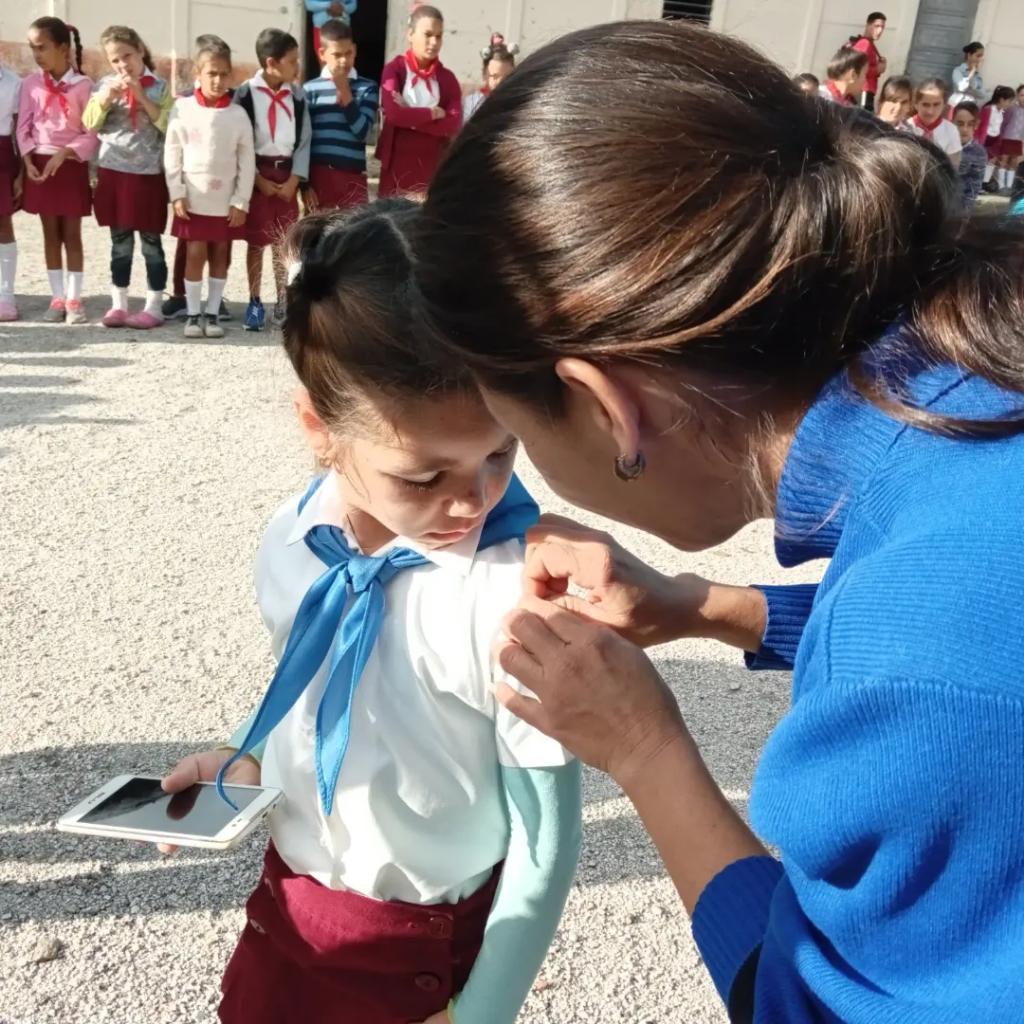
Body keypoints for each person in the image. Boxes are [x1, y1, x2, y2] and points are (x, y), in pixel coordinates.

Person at [414, 18, 1024, 1023]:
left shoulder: (921, 671)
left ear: (611, 409)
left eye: (513, 436)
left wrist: (646, 747)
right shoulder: (969, 387)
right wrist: (708, 608)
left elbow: (814, 1005)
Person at [160, 199, 582, 1024]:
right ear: (320, 429)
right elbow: (311, 677)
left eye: (500, 453)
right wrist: (245, 757)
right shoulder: (295, 536)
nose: (470, 499)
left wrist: (483, 1011)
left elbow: (548, 840)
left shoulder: (512, 595)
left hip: (422, 945)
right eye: (423, 477)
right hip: (289, 904)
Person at [164, 36, 255, 340]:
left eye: (224, 73)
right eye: (211, 73)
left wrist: (241, 201)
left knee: (219, 252)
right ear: (198, 75)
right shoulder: (183, 109)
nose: (218, 80)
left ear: (231, 75)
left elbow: (247, 161)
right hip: (193, 198)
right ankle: (192, 315)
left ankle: (213, 313)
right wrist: (176, 192)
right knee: (194, 252)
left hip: (225, 199)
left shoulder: (238, 115)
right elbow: (172, 153)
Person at [83, 25, 172, 331]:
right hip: (113, 171)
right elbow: (89, 123)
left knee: (151, 243)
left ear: (140, 51)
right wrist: (105, 99)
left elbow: (167, 125)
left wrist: (139, 94)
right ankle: (119, 304)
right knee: (119, 243)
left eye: (127, 56)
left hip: (147, 175)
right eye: (116, 60)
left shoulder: (159, 86)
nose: (123, 65)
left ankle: (153, 305)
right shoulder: (105, 85)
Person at [17, 17, 98, 325]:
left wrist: (65, 153)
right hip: (39, 166)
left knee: (72, 235)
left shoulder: (84, 86)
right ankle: (57, 297)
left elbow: (91, 132)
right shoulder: (30, 84)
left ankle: (75, 300)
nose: (37, 54)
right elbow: (23, 127)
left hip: (69, 166)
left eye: (42, 47)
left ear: (63, 48)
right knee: (49, 235)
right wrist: (27, 162)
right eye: (32, 48)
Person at [234, 28, 311, 333]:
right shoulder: (245, 94)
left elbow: (305, 138)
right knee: (256, 243)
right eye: (293, 61)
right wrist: (255, 179)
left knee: (284, 243)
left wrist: (296, 177)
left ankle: (283, 299)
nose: (298, 67)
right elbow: (239, 141)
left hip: (287, 175)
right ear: (271, 63)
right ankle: (254, 301)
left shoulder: (297, 95)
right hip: (258, 175)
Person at [377, 5, 461, 196]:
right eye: (428, 34)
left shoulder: (447, 79)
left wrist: (411, 118)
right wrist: (431, 113)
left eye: (439, 36)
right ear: (410, 34)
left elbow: (452, 124)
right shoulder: (394, 70)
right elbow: (394, 114)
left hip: (431, 166)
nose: (434, 42)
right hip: (397, 165)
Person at [302, 19, 378, 212]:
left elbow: (363, 132)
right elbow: (304, 140)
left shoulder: (367, 88)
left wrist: (345, 94)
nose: (344, 60)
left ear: (355, 50)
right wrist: (304, 183)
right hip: (320, 176)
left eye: (348, 53)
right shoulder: (310, 89)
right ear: (322, 54)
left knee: (353, 235)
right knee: (318, 236)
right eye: (337, 55)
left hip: (353, 176)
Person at [0, 59, 22, 322]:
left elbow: (20, 131)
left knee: (3, 224)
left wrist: (22, 173)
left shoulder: (14, 83)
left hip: (2, 155)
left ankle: (6, 294)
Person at [906, 78, 961, 168]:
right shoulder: (905, 128)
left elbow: (953, 167)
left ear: (944, 104)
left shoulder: (951, 131)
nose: (930, 111)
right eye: (925, 104)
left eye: (936, 104)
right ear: (915, 104)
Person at [463, 33, 517, 123]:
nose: (500, 82)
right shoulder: (473, 103)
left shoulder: (518, 102)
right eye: (494, 76)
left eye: (507, 77)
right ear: (484, 74)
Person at [977, 85, 1014, 191]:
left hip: (994, 140)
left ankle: (984, 183)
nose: (1009, 104)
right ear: (1002, 99)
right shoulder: (988, 109)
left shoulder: (1001, 112)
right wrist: (980, 143)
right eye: (1009, 101)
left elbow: (998, 128)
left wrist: (998, 142)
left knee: (991, 162)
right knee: (981, 162)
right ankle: (978, 184)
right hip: (985, 139)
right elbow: (982, 127)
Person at [850, 11, 887, 110]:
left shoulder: (870, 44)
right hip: (863, 91)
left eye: (882, 27)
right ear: (867, 25)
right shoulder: (864, 44)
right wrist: (877, 69)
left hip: (866, 92)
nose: (879, 30)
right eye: (876, 26)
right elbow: (857, 68)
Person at [953, 101, 986, 206]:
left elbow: (973, 188)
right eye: (960, 124)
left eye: (970, 124)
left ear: (976, 125)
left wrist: (964, 214)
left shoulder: (978, 152)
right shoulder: (942, 143)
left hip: (957, 207)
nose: (964, 129)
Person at [994, 84, 1024, 194]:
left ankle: (1009, 185)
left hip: (1018, 140)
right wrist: (1000, 137)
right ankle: (1001, 186)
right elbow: (1004, 122)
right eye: (1022, 95)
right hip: (1007, 138)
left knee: (1014, 162)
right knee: (1004, 160)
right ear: (1017, 96)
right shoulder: (1012, 109)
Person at [950, 41, 985, 108]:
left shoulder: (977, 74)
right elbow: (961, 88)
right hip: (957, 105)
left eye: (982, 56)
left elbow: (982, 95)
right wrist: (971, 73)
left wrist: (971, 88)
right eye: (978, 56)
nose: (980, 59)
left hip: (970, 107)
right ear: (969, 55)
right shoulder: (958, 70)